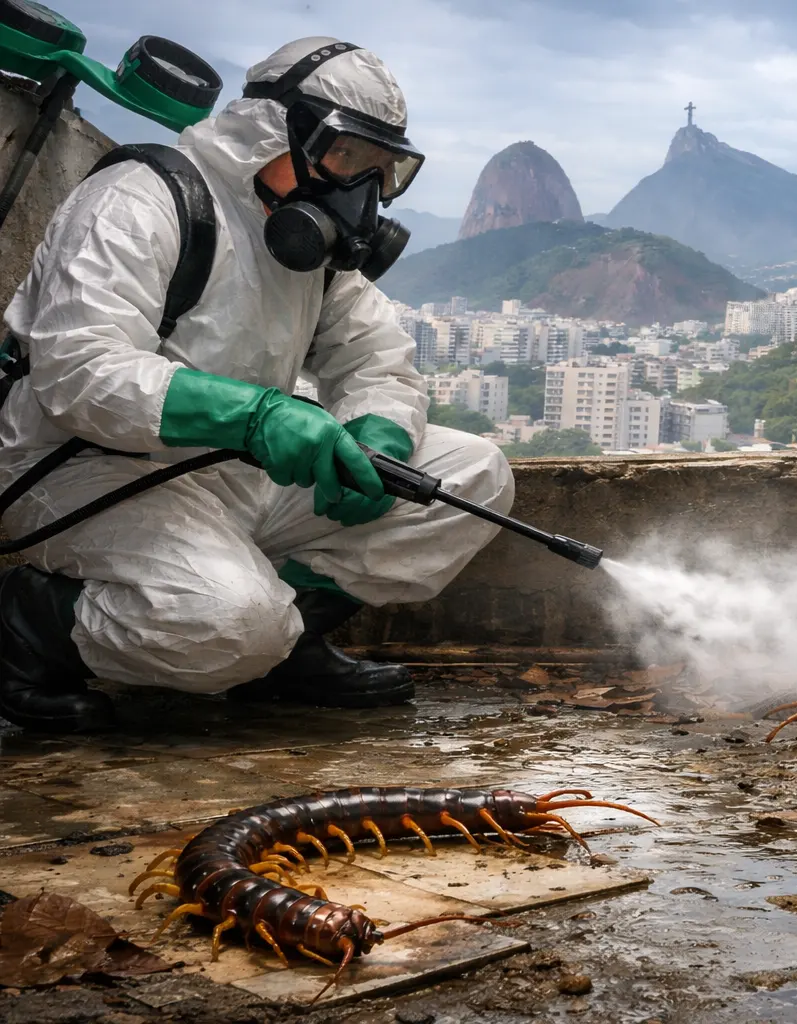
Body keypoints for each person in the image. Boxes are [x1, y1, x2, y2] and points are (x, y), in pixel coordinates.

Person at [0, 37, 513, 732]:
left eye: (378, 171)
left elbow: (377, 362)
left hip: (233, 472)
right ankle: (29, 627)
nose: (359, 191)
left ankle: (285, 653)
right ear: (271, 130)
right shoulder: (138, 198)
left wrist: (378, 432)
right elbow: (80, 369)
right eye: (345, 159)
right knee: (231, 624)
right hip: (85, 471)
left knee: (470, 477)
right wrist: (252, 415)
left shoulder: (314, 248)